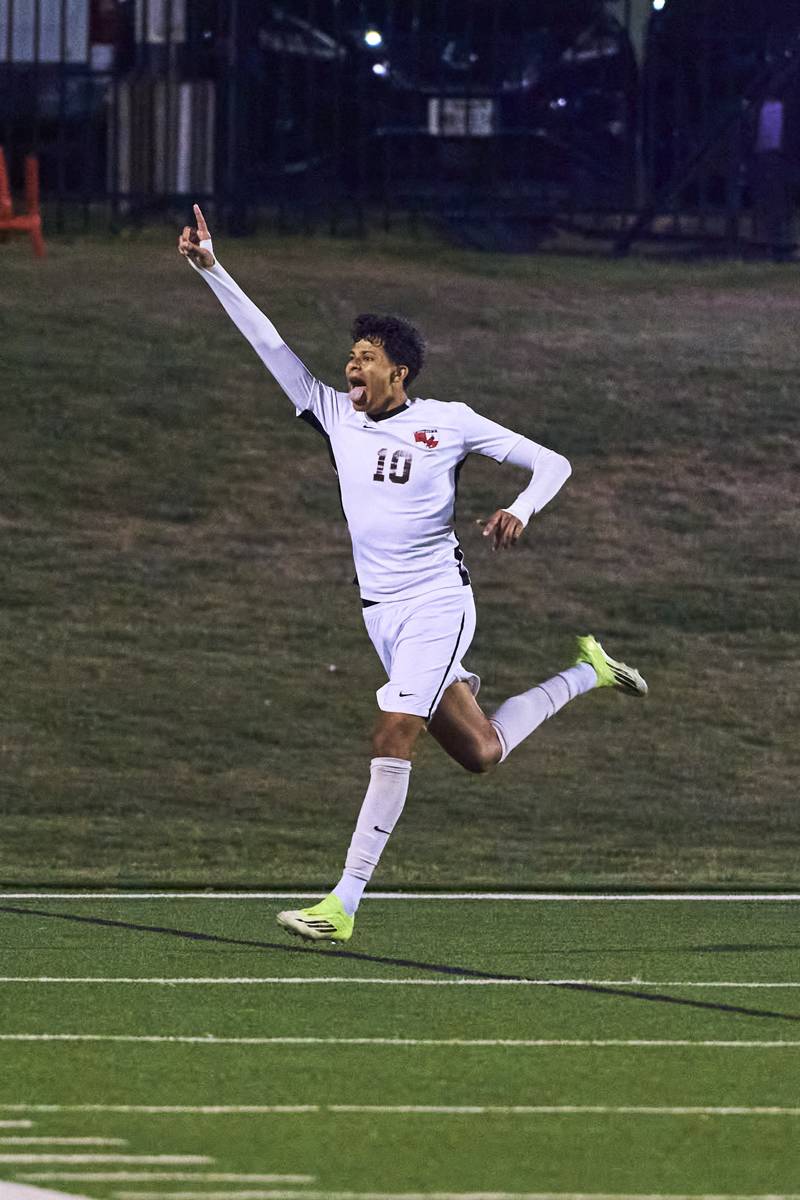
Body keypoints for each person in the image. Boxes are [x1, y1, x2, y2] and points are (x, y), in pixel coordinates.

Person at [178, 204, 647, 943]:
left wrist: (520, 507)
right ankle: (589, 672)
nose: (350, 367)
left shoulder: (449, 422)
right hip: (381, 616)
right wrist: (214, 271)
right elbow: (270, 345)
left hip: (437, 604)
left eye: (364, 357)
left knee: (394, 730)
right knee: (482, 752)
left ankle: (342, 904)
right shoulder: (335, 415)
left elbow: (553, 463)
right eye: (350, 356)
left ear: (397, 371)